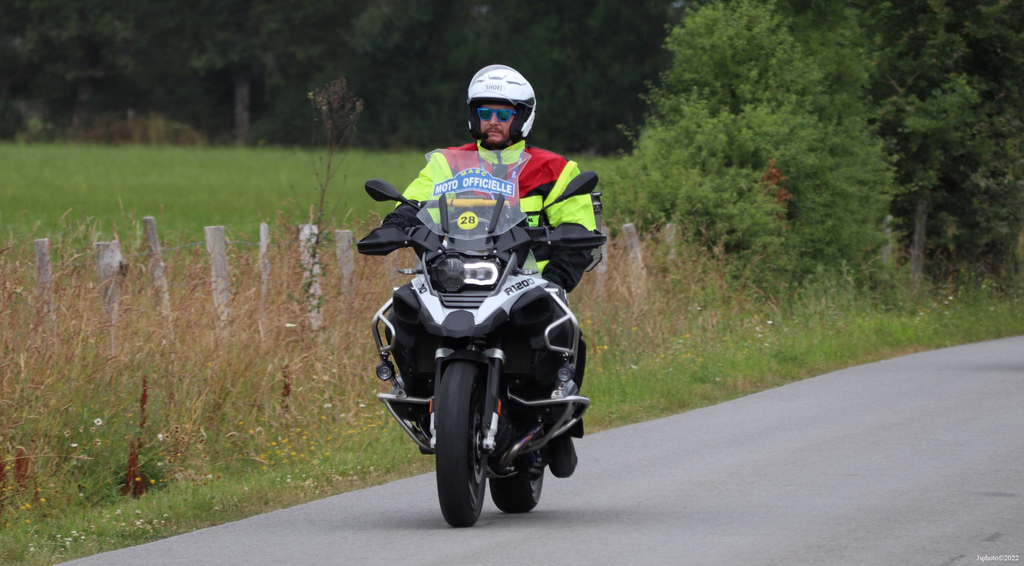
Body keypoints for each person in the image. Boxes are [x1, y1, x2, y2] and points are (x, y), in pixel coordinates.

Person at [381, 64, 596, 477]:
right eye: (485, 112)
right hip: (453, 273)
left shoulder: (554, 169)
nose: (493, 121)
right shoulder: (447, 163)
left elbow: (579, 223)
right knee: (402, 308)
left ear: (522, 117)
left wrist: (559, 270)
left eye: (503, 113)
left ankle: (560, 420)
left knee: (562, 330)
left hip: (526, 279)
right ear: (473, 116)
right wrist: (394, 225)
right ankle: (415, 391)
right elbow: (412, 202)